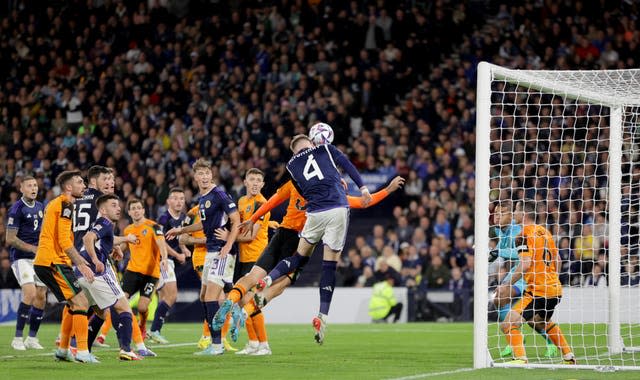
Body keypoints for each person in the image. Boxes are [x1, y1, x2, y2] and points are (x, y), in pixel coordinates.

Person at [214, 175, 405, 338]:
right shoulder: (331, 197)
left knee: (251, 278)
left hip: (281, 233)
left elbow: (273, 200)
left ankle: (230, 302)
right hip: (299, 241)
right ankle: (246, 313)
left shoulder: (295, 183)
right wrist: (388, 189)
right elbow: (364, 202)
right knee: (281, 285)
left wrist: (253, 218)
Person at [256, 134, 371, 344]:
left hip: (315, 212)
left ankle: (269, 278)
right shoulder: (325, 149)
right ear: (310, 143)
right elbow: (346, 163)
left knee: (299, 257)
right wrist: (362, 188)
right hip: (336, 208)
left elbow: (302, 191)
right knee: (329, 265)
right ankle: (322, 316)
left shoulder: (291, 165)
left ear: (294, 151)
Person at [166, 158, 240, 356]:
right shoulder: (202, 199)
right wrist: (180, 229)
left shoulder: (220, 194)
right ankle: (234, 310)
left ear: (212, 174)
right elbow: (202, 225)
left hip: (222, 251)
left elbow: (236, 219)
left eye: (207, 173)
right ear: (195, 177)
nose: (204, 177)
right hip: (211, 250)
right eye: (201, 174)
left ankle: (216, 345)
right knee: (203, 296)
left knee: (210, 297)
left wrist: (229, 244)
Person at [32, 170, 97, 363]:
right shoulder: (66, 204)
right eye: (79, 182)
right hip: (54, 261)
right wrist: (82, 264)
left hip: (48, 261)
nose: (83, 185)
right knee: (82, 303)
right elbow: (63, 241)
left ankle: (62, 350)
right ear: (69, 187)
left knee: (73, 304)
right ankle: (83, 353)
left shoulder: (57, 203)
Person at [501, 199, 575, 365]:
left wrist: (507, 283)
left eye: (516, 211)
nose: (514, 214)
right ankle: (569, 357)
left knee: (507, 324)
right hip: (555, 290)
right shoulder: (545, 232)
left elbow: (525, 264)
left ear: (524, 214)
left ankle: (520, 358)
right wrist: (551, 277)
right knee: (539, 322)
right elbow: (558, 259)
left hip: (538, 291)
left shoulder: (522, 236)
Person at [76, 194, 141, 361]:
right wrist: (97, 259)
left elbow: (106, 240)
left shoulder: (101, 224)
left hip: (81, 272)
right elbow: (88, 238)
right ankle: (126, 350)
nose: (118, 208)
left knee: (98, 312)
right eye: (113, 205)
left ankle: (84, 351)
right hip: (95, 271)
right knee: (124, 307)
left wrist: (120, 243)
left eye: (118, 205)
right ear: (103, 210)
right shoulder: (104, 222)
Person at [215, 168, 271, 355]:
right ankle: (253, 343)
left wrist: (228, 237)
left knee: (249, 300)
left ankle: (264, 344)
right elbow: (238, 226)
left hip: (257, 258)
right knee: (241, 302)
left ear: (263, 184)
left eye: (258, 180)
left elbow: (251, 235)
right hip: (242, 257)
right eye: (252, 179)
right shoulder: (242, 201)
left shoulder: (262, 203)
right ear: (245, 182)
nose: (255, 183)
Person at [490, 200, 557, 358]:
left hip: (526, 274)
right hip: (517, 272)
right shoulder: (501, 231)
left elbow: (517, 254)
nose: (497, 217)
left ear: (511, 216)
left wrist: (499, 252)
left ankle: (517, 337)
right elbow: (500, 249)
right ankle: (518, 338)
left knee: (505, 299)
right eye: (496, 213)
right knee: (527, 316)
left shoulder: (517, 230)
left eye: (502, 213)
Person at [121, 198, 168, 350]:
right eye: (133, 208)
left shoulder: (154, 226)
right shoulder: (128, 230)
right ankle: (125, 332)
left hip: (151, 274)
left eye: (138, 208)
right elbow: (124, 246)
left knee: (142, 307)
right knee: (120, 301)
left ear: (143, 210)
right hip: (132, 271)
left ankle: (141, 326)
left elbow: (161, 244)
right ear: (129, 212)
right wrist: (118, 251)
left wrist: (164, 259)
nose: (136, 210)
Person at [7, 176, 46, 350]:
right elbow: (10, 238)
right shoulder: (17, 209)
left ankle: (32, 338)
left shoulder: (40, 206)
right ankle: (17, 338)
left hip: (39, 258)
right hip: (21, 258)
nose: (33, 188)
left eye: (35, 185)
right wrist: (31, 248)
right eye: (29, 185)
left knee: (41, 295)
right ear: (21, 188)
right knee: (29, 293)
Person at [148, 187, 191, 344]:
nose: (179, 201)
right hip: (162, 260)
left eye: (181, 198)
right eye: (175, 198)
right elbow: (161, 242)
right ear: (168, 201)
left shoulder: (184, 219)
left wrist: (184, 248)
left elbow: (179, 239)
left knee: (164, 298)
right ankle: (153, 330)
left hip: (168, 261)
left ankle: (154, 331)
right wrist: (177, 254)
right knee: (172, 296)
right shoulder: (163, 219)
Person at [179, 204, 211, 349]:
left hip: (221, 256)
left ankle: (219, 338)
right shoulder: (192, 213)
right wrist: (202, 241)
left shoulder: (222, 207)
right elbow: (183, 239)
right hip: (201, 257)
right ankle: (207, 336)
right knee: (215, 295)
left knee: (219, 296)